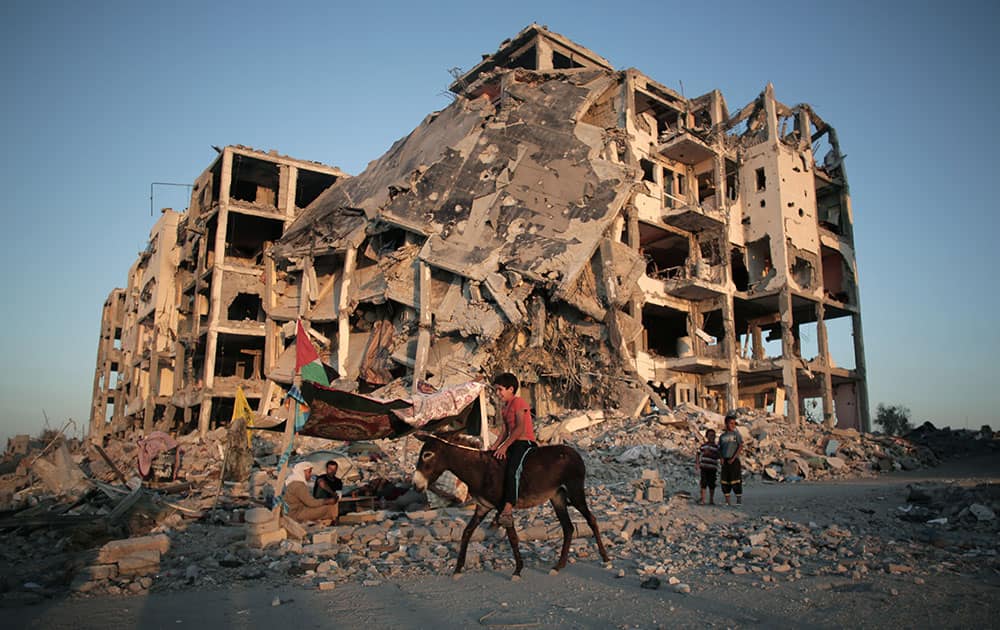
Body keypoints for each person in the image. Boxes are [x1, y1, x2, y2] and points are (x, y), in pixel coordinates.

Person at [492, 372, 536, 529]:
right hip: (513, 442)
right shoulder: (504, 408)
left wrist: (504, 446)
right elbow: (504, 432)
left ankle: (509, 509)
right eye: (496, 390)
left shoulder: (519, 402)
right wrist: (494, 446)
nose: (498, 394)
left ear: (511, 389)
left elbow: (519, 428)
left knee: (512, 470)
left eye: (500, 390)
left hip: (525, 442)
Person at [718, 411, 744, 506]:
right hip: (725, 460)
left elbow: (740, 446)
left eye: (734, 423)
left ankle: (738, 500)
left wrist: (734, 458)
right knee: (725, 480)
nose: (733, 425)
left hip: (734, 461)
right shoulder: (722, 436)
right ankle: (728, 501)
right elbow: (719, 448)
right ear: (726, 423)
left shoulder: (736, 435)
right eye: (731, 423)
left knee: (736, 480)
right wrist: (721, 458)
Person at [695, 429, 720, 505]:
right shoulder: (703, 446)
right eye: (710, 435)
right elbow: (698, 453)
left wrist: (711, 454)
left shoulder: (717, 447)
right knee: (703, 483)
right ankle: (703, 499)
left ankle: (711, 500)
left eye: (713, 435)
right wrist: (697, 463)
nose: (712, 437)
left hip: (712, 467)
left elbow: (719, 456)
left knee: (712, 484)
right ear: (707, 436)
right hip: (704, 467)